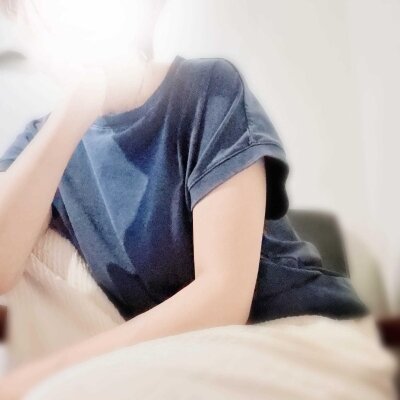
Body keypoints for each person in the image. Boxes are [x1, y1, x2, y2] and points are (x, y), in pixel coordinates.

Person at [0, 0, 369, 397]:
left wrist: (51, 372)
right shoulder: (41, 145)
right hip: (175, 354)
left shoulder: (209, 89)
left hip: (295, 327)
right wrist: (77, 107)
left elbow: (223, 297)